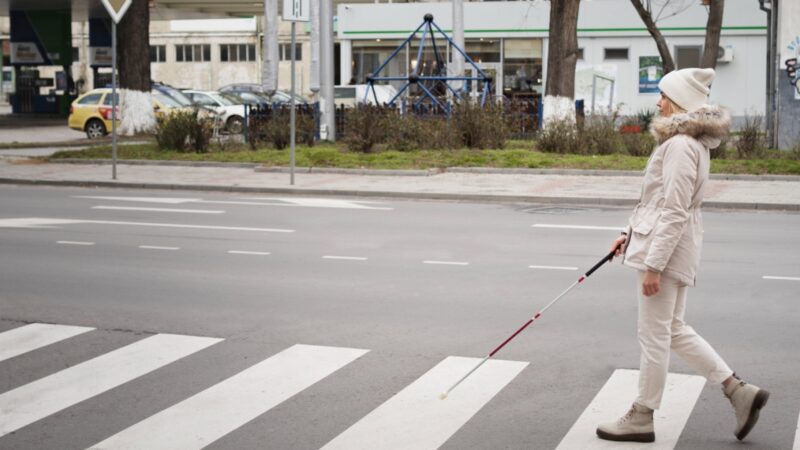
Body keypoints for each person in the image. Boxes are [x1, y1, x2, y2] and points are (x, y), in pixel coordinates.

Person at [595, 68, 770, 443]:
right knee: (673, 330)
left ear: (677, 101)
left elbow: (673, 211)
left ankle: (642, 416)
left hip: (667, 253)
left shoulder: (678, 147)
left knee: (654, 337)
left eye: (662, 96)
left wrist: (653, 266)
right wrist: (627, 234)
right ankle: (737, 390)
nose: (657, 103)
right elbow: (658, 203)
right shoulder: (688, 144)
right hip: (673, 246)